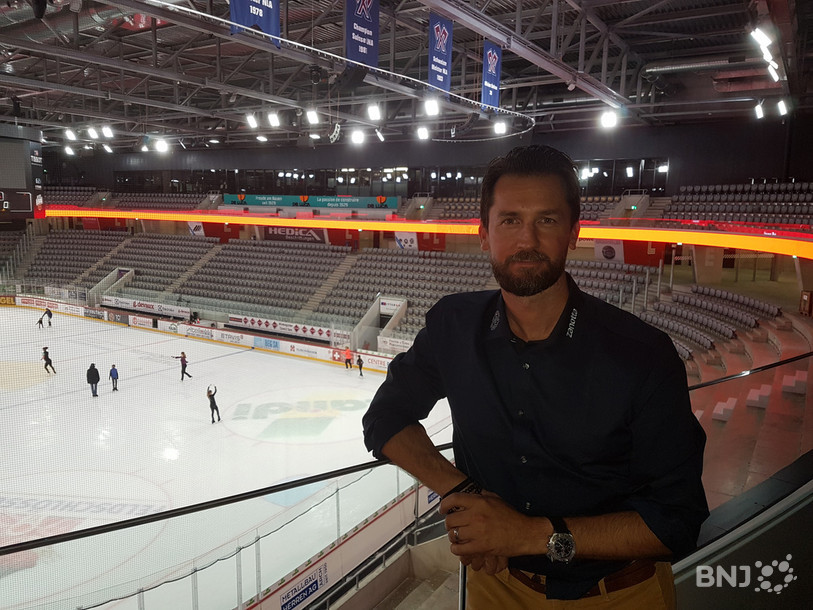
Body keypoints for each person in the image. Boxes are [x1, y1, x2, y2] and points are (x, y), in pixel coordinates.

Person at [362, 145, 708, 608]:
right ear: (483, 234)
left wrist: (530, 535)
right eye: (509, 220)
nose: (526, 240)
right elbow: (384, 418)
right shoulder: (453, 325)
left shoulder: (642, 354)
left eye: (546, 220)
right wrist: (466, 495)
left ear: (573, 233)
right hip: (495, 585)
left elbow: (677, 522)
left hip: (617, 594)